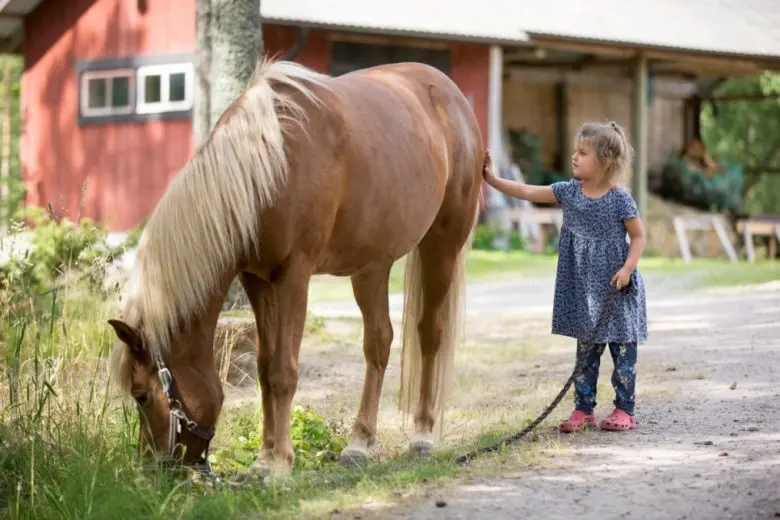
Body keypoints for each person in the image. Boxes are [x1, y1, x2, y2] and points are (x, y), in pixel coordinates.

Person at [482, 121, 648, 432]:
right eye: (576, 151)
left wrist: (627, 269)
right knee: (585, 354)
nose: (574, 157)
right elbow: (526, 190)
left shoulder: (620, 199)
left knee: (623, 351)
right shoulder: (569, 193)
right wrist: (491, 178)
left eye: (583, 153)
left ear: (606, 161)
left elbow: (638, 238)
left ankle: (625, 409)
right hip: (584, 290)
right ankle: (582, 409)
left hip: (616, 289)